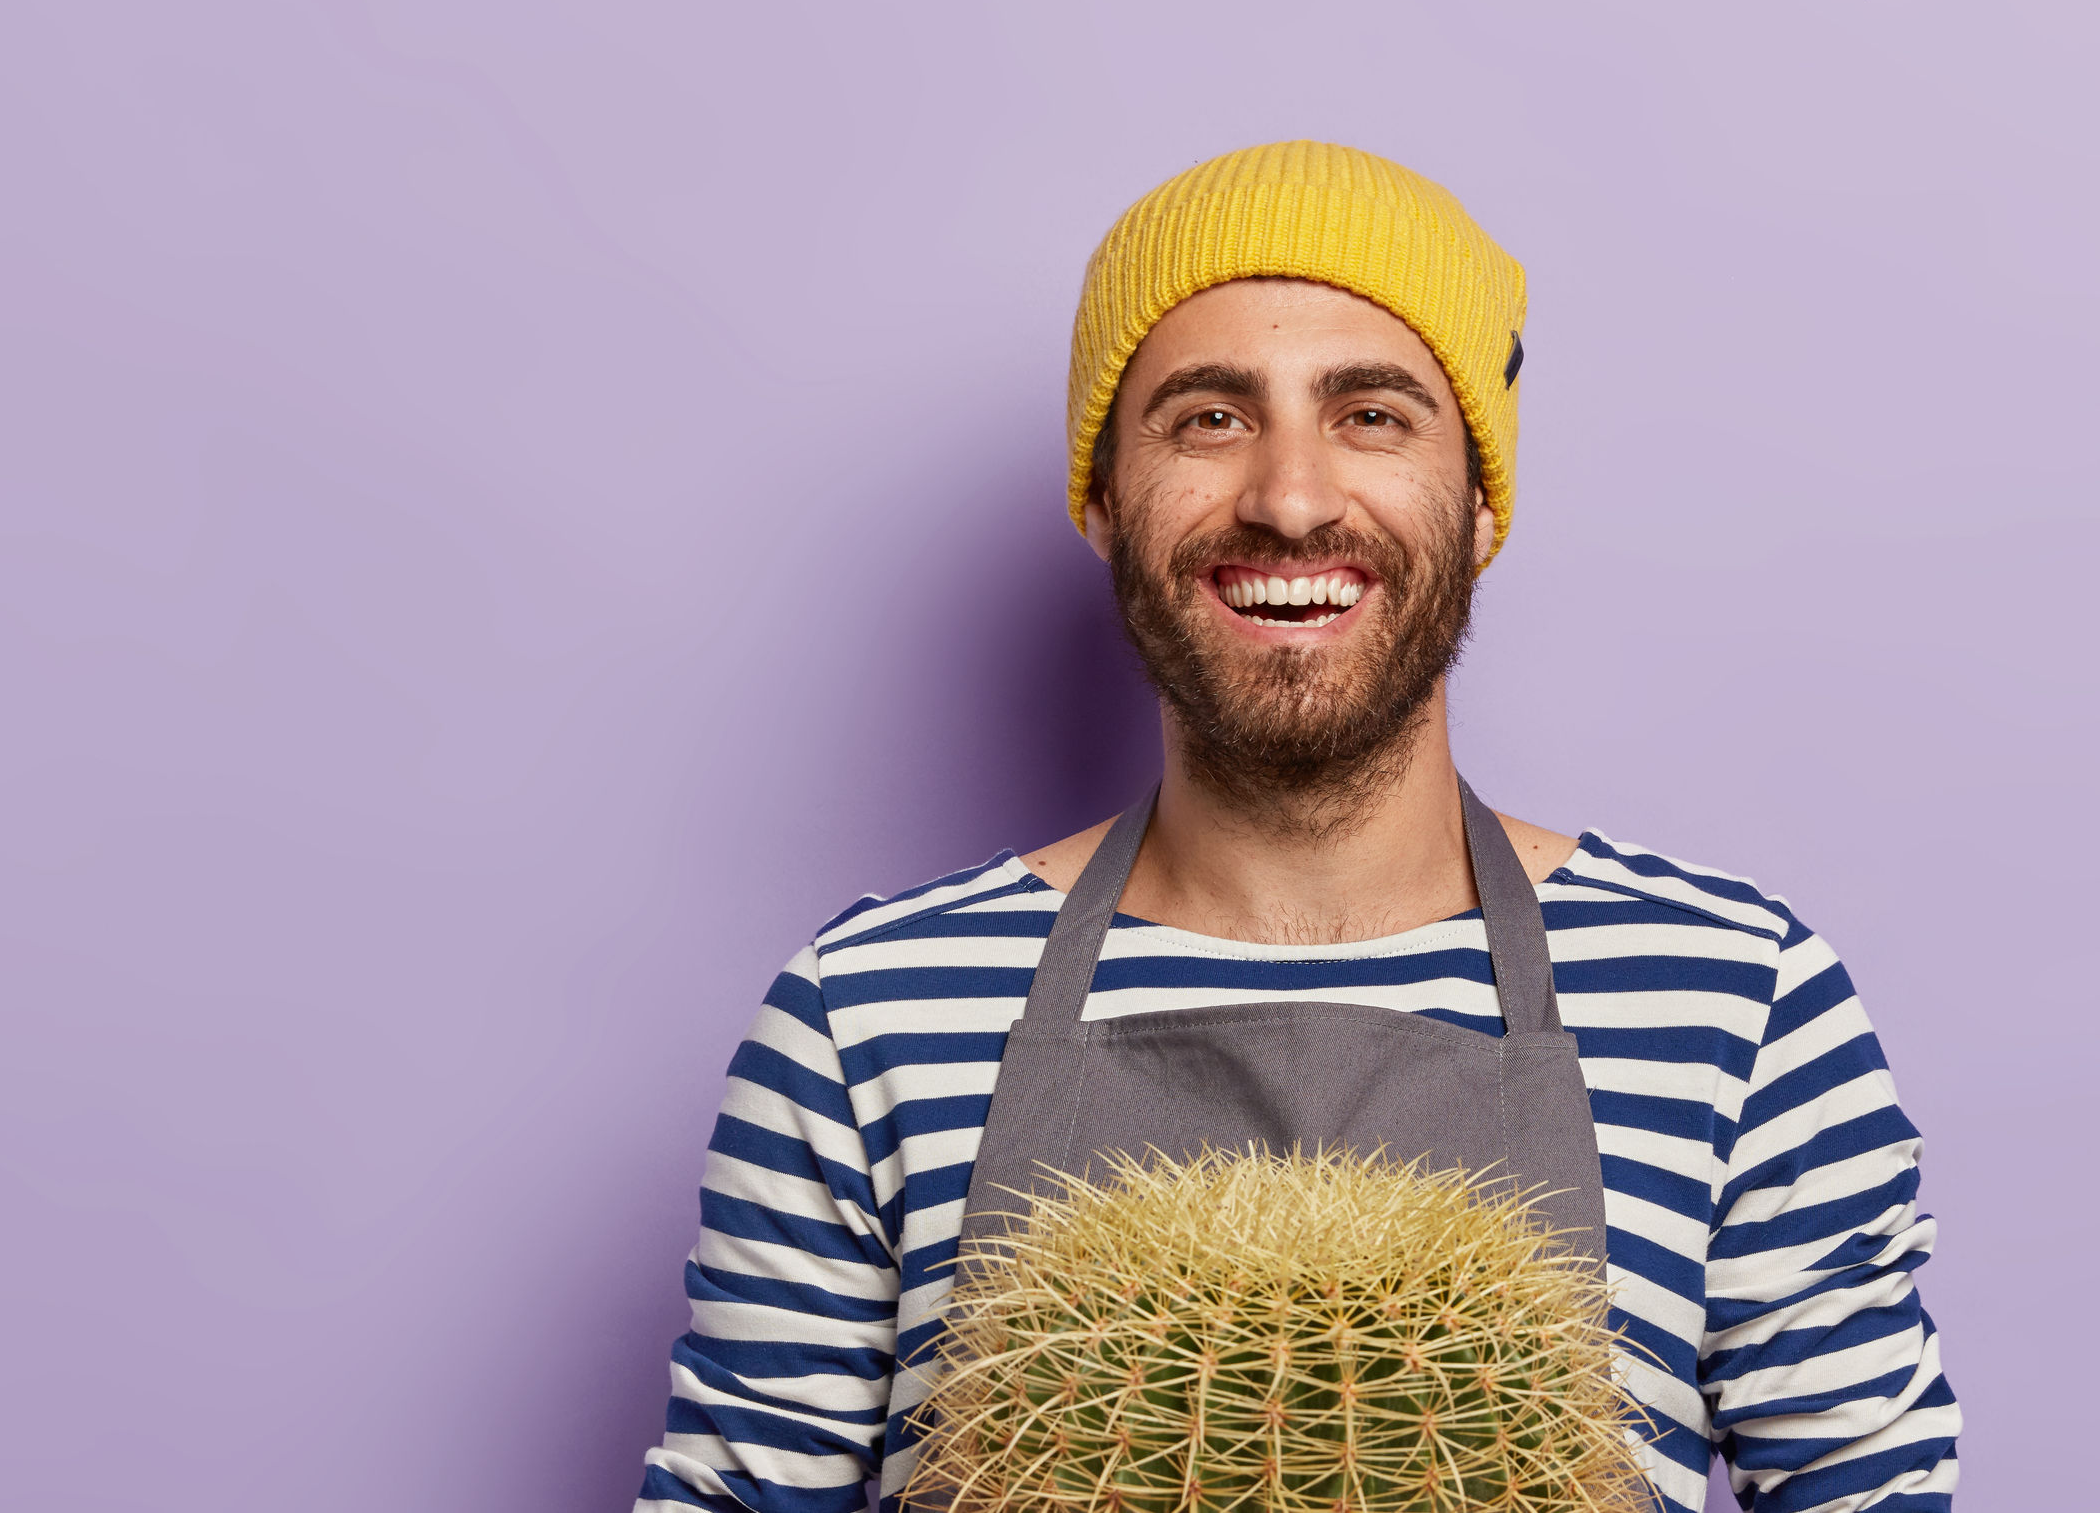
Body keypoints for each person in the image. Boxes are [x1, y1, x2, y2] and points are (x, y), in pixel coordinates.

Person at [637, 141, 1960, 1513]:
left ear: (1482, 498)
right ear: (1099, 499)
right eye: (1206, 417)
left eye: (1372, 415)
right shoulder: (865, 1019)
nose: (1290, 496)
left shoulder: (1737, 1001)